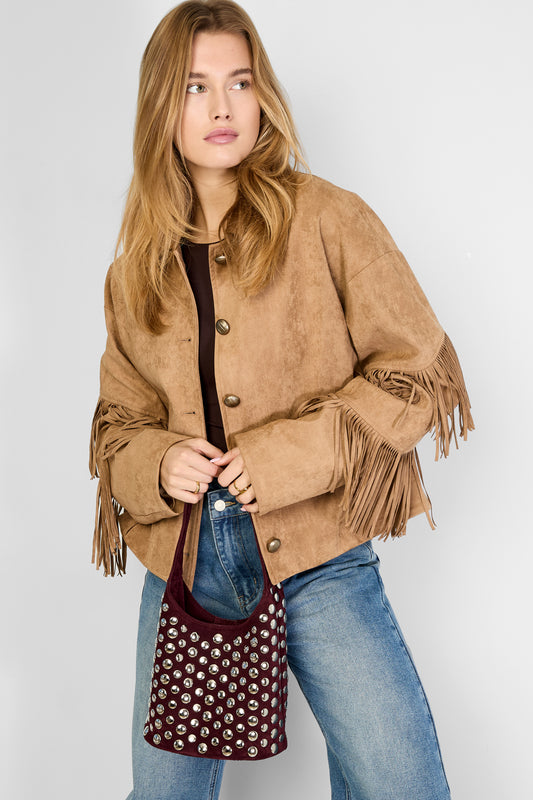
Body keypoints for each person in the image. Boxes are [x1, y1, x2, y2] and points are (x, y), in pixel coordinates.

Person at [89, 1, 473, 798]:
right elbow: (118, 427)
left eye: (239, 82)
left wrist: (284, 458)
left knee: (401, 784)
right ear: (162, 104)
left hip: (318, 555)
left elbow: (416, 372)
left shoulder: (328, 217)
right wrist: (157, 464)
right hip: (184, 564)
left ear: (261, 94)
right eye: (195, 87)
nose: (221, 107)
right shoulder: (133, 272)